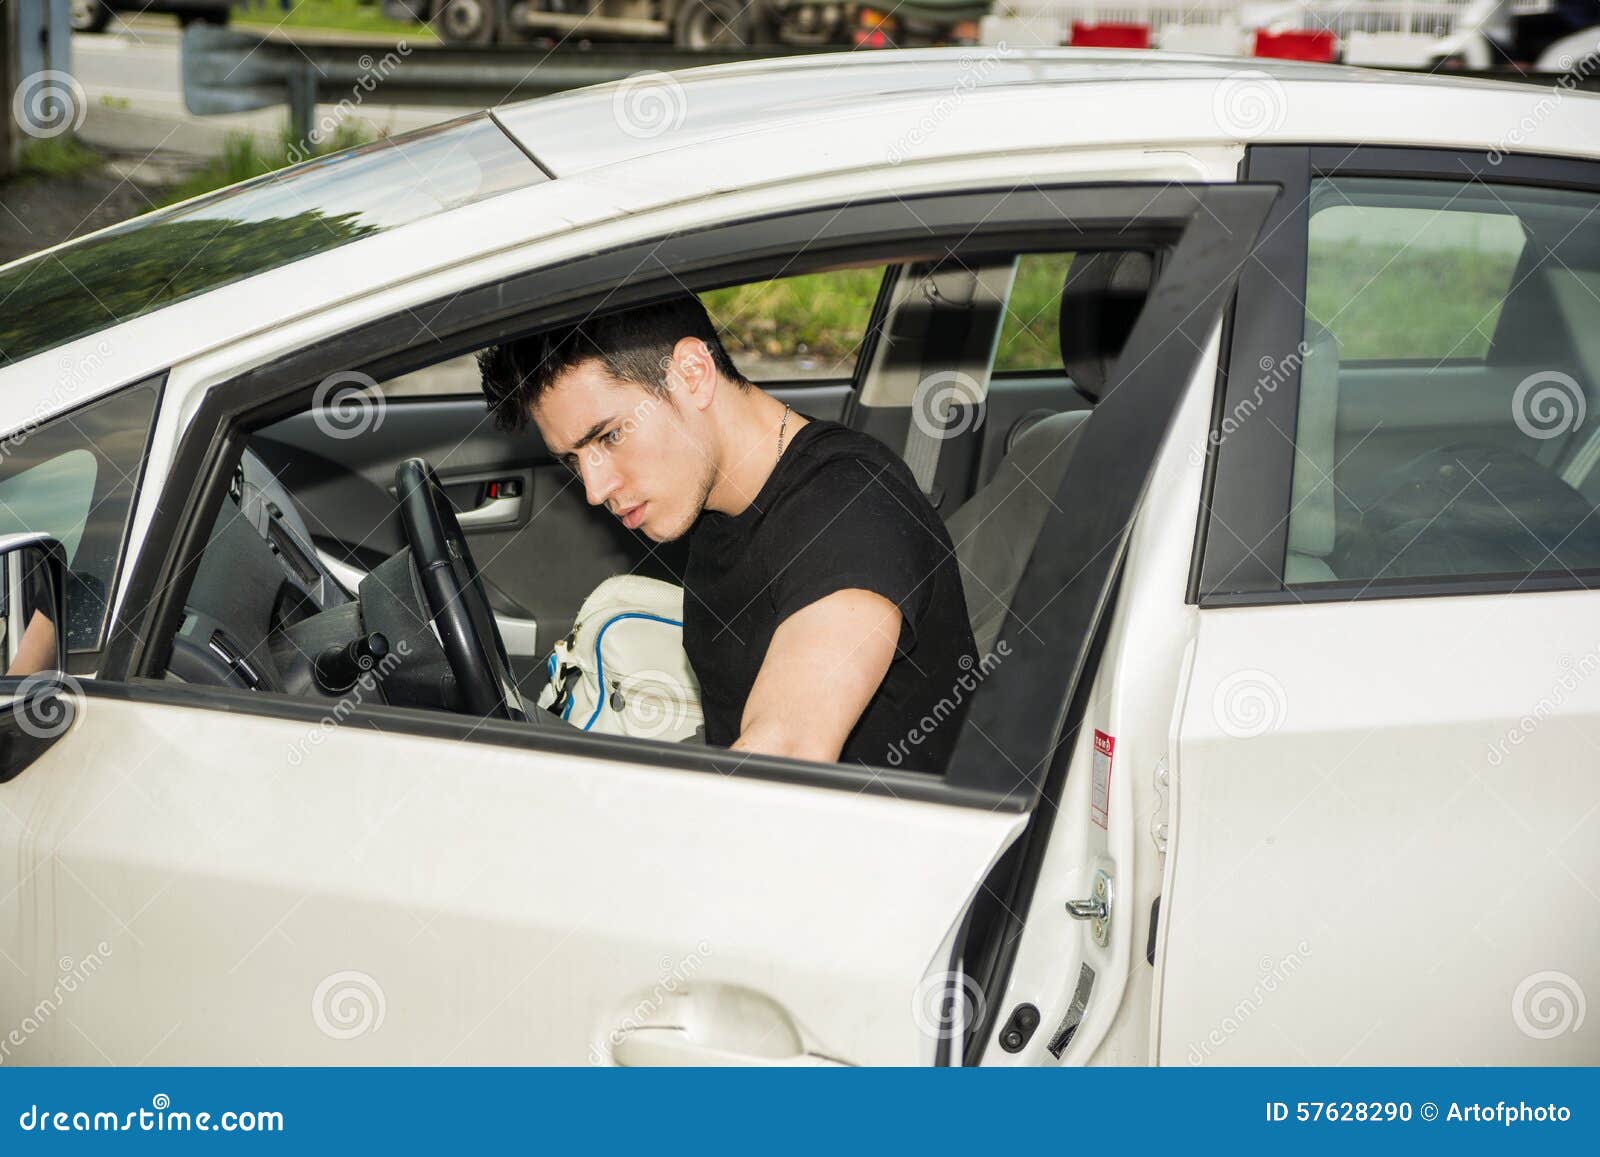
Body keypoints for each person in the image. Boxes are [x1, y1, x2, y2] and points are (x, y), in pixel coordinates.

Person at [479, 295, 978, 773]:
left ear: (693, 373)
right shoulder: (723, 502)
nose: (594, 488)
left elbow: (784, 757)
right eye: (574, 459)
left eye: (610, 436)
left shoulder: (852, 510)